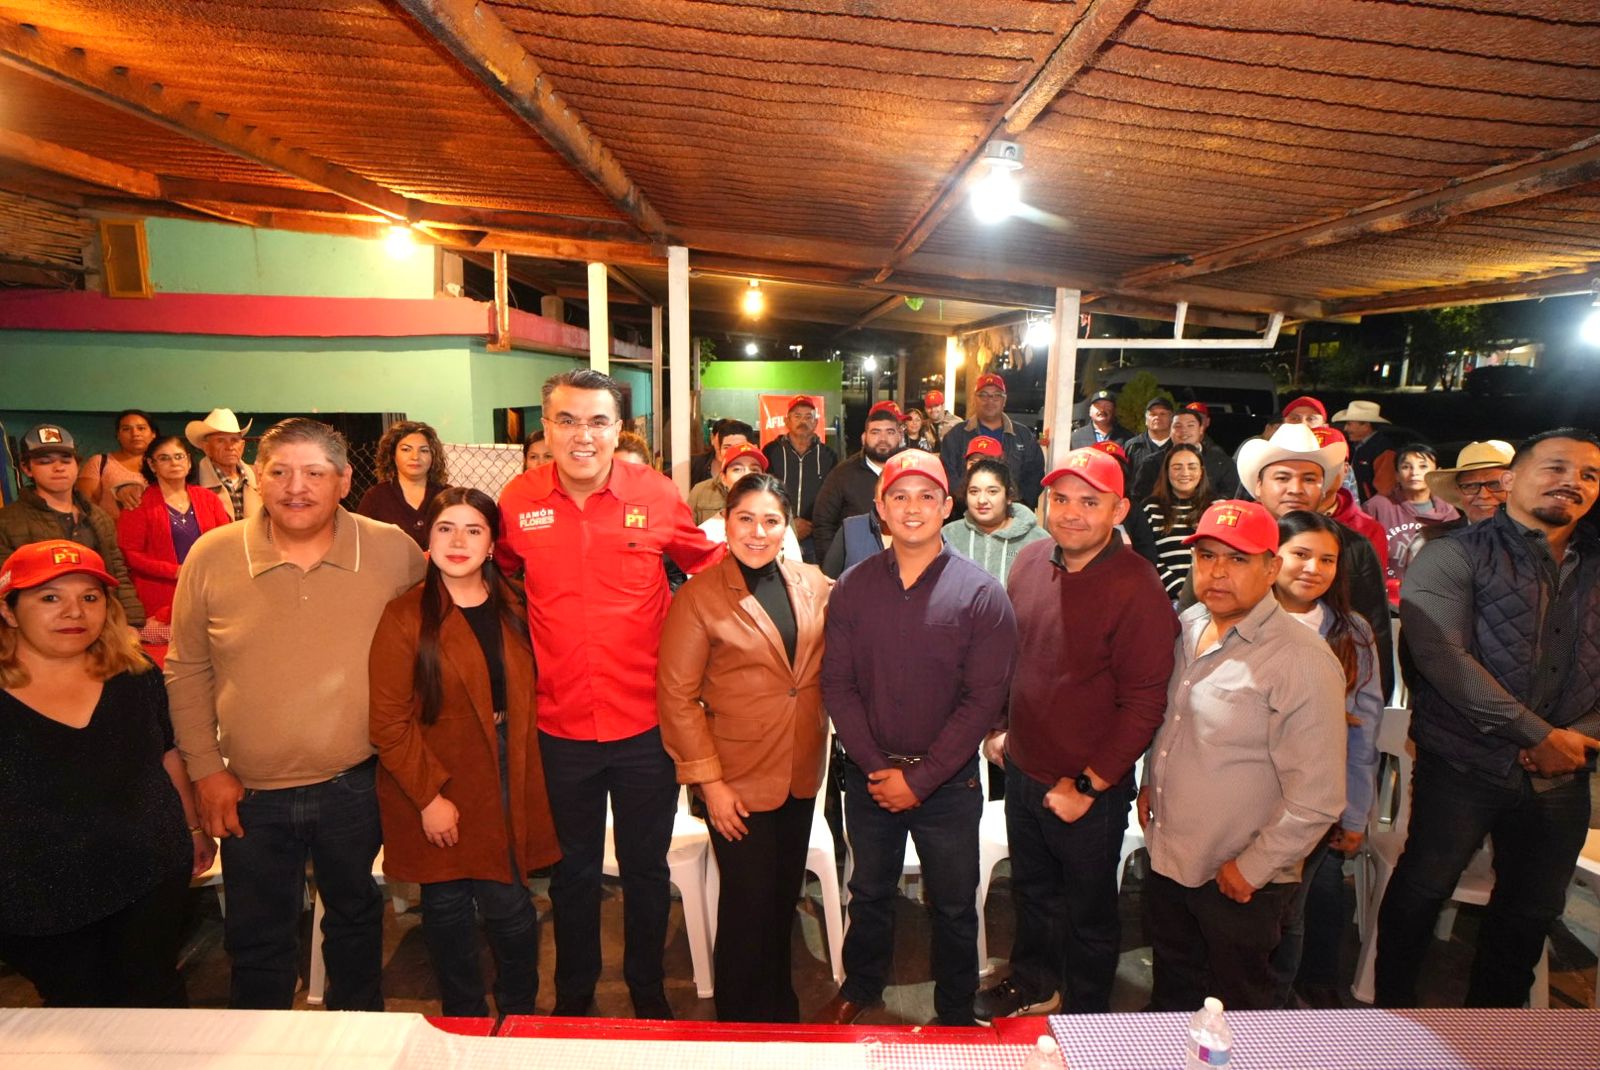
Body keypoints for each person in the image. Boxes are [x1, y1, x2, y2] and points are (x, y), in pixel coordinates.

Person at [166, 417, 426, 1010]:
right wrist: (207, 771)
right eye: (278, 472)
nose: (295, 487)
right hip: (249, 791)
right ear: (258, 479)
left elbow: (442, 627)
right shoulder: (213, 554)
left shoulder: (390, 549)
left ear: (344, 480)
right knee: (257, 945)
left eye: (314, 472)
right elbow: (186, 669)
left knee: (358, 926)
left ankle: (358, 1042)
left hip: (356, 784)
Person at [496, 368, 724, 1019]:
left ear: (619, 429)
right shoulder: (517, 501)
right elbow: (503, 575)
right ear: (547, 427)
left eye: (598, 420)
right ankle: (574, 999)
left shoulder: (655, 493)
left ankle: (649, 995)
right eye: (567, 420)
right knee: (570, 875)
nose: (583, 435)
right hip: (558, 726)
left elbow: (706, 566)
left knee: (646, 872)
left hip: (645, 727)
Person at [1376, 428, 1600, 1009]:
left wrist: (1576, 740)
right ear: (1511, 481)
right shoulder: (1453, 553)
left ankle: (1495, 1029)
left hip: (1565, 771)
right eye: (1555, 468)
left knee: (1532, 910)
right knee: (1424, 888)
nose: (1572, 482)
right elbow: (1441, 657)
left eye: (1590, 475)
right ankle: (1391, 1014)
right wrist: (1535, 735)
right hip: (1464, 762)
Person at [813, 449, 1019, 1027]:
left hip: (948, 784)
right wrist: (880, 769)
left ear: (946, 506)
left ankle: (954, 1010)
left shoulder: (982, 595)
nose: (912, 507)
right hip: (870, 778)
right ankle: (862, 986)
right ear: (879, 507)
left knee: (954, 904)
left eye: (927, 496)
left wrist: (921, 778)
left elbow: (983, 702)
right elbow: (838, 685)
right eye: (899, 496)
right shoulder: (852, 589)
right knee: (870, 891)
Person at [973, 448, 1176, 1020]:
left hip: (1091, 786)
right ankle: (1036, 983)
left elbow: (1144, 701)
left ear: (1119, 509)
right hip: (1023, 772)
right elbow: (1011, 656)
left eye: (1090, 501)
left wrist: (1088, 785)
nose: (1071, 513)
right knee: (1032, 895)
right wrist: (998, 729)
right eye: (1060, 499)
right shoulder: (1031, 562)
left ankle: (1087, 1014)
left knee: (1089, 911)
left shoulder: (1137, 584)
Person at [1140, 500, 1346, 1011]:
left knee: (1241, 1014)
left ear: (1271, 568)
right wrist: (1149, 781)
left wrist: (1253, 867)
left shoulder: (1300, 659)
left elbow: (1319, 798)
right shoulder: (1188, 625)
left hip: (1236, 878)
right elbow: (1173, 724)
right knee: (1174, 994)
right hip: (1171, 858)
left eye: (1238, 560)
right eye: (1207, 556)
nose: (1217, 572)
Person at [368, 487, 559, 1018]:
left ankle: (520, 1014)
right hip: (434, 770)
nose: (458, 541)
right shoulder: (405, 615)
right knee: (447, 905)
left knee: (510, 904)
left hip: (509, 764)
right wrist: (429, 797)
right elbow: (387, 721)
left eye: (473, 530)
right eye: (446, 528)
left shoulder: (519, 606)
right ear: (427, 538)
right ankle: (464, 1016)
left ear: (493, 543)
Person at [0, 541, 212, 1007]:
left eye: (90, 597)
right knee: (77, 1007)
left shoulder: (134, 675)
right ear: (10, 611)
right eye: (49, 597)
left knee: (154, 991)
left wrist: (193, 826)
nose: (73, 611)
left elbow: (168, 754)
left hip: (149, 872)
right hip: (37, 892)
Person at [657, 472, 833, 1022]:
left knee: (781, 901)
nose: (758, 532)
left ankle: (778, 1010)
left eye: (771, 520)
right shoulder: (699, 597)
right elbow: (677, 697)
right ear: (725, 523)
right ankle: (737, 1023)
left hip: (800, 772)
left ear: (786, 527)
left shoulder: (813, 582)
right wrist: (711, 785)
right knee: (746, 905)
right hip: (735, 781)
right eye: (746, 519)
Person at [1265, 510, 1382, 1009]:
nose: (1313, 568)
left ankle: (1282, 1001)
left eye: (1327, 559)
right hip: (1244, 791)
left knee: (1295, 910)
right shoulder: (1246, 617)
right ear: (1272, 560)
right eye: (1301, 554)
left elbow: (1366, 730)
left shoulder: (1352, 632)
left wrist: (1355, 812)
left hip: (1313, 803)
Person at [1237, 422, 1394, 701]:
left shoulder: (1354, 547)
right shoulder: (1231, 541)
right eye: (1282, 478)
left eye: (1309, 479)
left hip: (1329, 698)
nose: (1295, 489)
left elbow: (1375, 632)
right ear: (1258, 486)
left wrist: (1368, 703)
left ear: (1323, 488)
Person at [0, 424, 145, 628]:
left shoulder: (98, 516)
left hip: (100, 625)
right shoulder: (7, 521)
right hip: (37, 630)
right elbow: (5, 587)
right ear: (26, 468)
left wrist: (133, 622)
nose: (58, 467)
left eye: (66, 460)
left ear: (77, 465)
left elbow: (118, 572)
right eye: (45, 462)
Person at [115, 435, 231, 664]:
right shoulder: (138, 503)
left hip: (206, 593)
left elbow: (225, 542)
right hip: (158, 601)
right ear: (151, 464)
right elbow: (130, 554)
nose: (174, 463)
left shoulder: (208, 498)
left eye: (179, 457)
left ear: (188, 462)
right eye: (164, 458)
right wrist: (175, 571)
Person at [811, 400, 903, 567]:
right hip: (858, 569)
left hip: (908, 565)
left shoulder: (913, 472)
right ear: (864, 438)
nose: (883, 439)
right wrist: (833, 566)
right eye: (875, 432)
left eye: (890, 432)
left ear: (900, 436)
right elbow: (823, 523)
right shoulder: (842, 475)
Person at [1362, 444, 1460, 591]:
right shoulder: (1377, 507)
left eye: (1423, 466)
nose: (1414, 472)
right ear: (1396, 475)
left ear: (1436, 473)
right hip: (1385, 598)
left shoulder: (1449, 513)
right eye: (1406, 467)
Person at [940, 457, 1048, 586]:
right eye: (974, 492)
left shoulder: (1038, 540)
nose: (981, 500)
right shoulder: (949, 535)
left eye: (992, 491)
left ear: (1008, 496)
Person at [1127, 443, 1214, 600]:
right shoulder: (1151, 507)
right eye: (1177, 467)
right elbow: (1147, 556)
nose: (1185, 473)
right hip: (1165, 598)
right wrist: (1180, 591)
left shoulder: (1215, 508)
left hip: (1209, 597)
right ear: (1166, 472)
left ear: (1201, 471)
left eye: (1192, 467)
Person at [938, 373, 1045, 497]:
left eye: (996, 396)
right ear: (974, 399)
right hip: (965, 512)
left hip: (1013, 512)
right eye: (983, 395)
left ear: (1004, 400)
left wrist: (1011, 505)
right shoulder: (956, 435)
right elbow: (948, 474)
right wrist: (971, 503)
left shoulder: (1024, 436)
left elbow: (1035, 476)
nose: (990, 401)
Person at [763, 396, 838, 563]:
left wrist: (810, 523)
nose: (802, 421)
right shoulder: (770, 452)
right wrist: (789, 522)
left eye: (808, 416)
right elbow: (765, 490)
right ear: (786, 421)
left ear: (816, 422)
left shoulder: (828, 456)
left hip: (814, 537)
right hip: (778, 531)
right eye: (797, 416)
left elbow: (832, 497)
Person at [698, 443, 803, 561]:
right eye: (737, 469)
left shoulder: (779, 526)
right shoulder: (706, 532)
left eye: (754, 469)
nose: (746, 474)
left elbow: (795, 567)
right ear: (723, 478)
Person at [356, 420, 450, 549]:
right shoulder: (376, 497)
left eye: (424, 450)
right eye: (406, 449)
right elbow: (361, 544)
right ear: (393, 455)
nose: (415, 457)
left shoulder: (448, 496)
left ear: (433, 457)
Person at [1132, 406, 1236, 500]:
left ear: (1201, 429)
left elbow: (1232, 494)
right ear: (1170, 431)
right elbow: (1140, 496)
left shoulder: (1221, 461)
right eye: (1177, 426)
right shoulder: (1152, 462)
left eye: (1190, 425)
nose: (1184, 430)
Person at [77, 409, 158, 518]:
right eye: (126, 429)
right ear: (118, 435)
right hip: (110, 532)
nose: (135, 433)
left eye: (141, 428)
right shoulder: (100, 462)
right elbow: (85, 505)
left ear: (153, 434)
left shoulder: (165, 464)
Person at [188, 408, 260, 522]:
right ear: (206, 448)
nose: (229, 447)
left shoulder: (258, 477)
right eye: (221, 441)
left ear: (242, 446)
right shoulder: (193, 480)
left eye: (234, 440)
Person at [1425, 440, 1515, 526]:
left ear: (1520, 489)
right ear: (1457, 491)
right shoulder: (1431, 538)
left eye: (1495, 484)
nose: (1483, 495)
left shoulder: (1528, 538)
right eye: (1470, 486)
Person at [687, 422, 757, 523]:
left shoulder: (769, 492)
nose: (733, 452)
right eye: (727, 447)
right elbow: (687, 532)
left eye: (739, 446)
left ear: (753, 448)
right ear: (719, 452)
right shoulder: (700, 491)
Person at [1332, 400, 1397, 501]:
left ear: (1365, 426)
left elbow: (1385, 489)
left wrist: (1371, 508)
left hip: (1369, 510)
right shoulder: (1356, 446)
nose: (1345, 428)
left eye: (1349, 424)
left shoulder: (1383, 449)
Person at [690, 418, 756, 487]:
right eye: (726, 447)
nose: (731, 451)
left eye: (738, 446)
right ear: (712, 438)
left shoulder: (754, 476)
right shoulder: (694, 465)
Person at [1121, 396, 1176, 478]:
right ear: (1146, 420)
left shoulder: (1178, 446)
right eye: (1153, 414)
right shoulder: (1132, 446)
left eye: (1163, 414)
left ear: (1172, 418)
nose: (1157, 417)